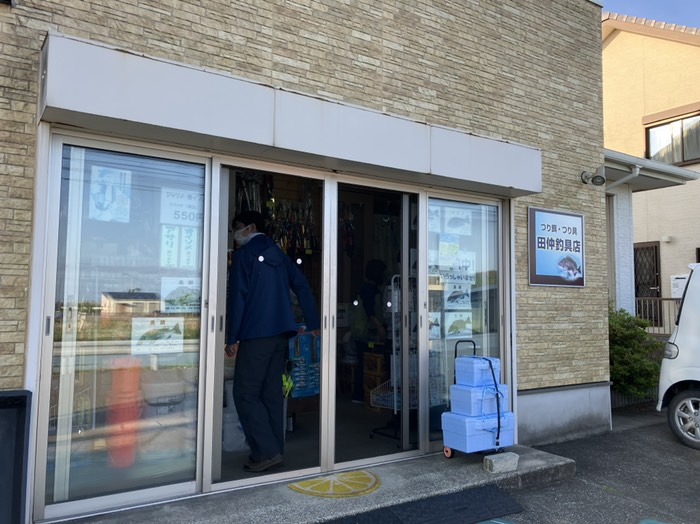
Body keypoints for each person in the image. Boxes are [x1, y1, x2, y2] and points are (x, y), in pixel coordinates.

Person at [225, 210, 320, 473]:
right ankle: (274, 450)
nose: (235, 234)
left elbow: (238, 297)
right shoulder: (280, 255)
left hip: (255, 335)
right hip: (281, 335)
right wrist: (313, 322)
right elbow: (302, 285)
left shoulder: (244, 256)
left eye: (238, 227)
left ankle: (266, 452)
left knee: (245, 393)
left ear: (251, 227)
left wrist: (232, 337)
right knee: (271, 395)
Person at [352, 258, 388, 403]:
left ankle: (362, 395)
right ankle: (362, 395)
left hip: (362, 332)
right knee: (367, 364)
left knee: (364, 363)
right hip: (366, 334)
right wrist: (380, 327)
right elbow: (370, 311)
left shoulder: (367, 288)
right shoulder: (369, 290)